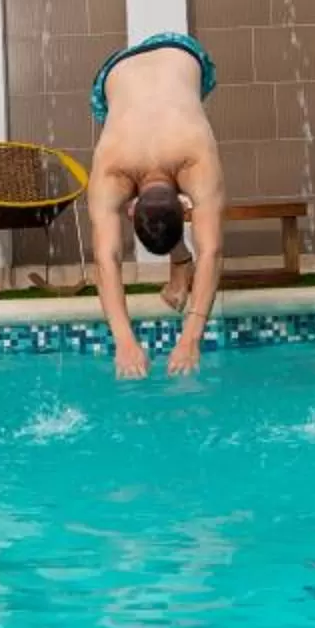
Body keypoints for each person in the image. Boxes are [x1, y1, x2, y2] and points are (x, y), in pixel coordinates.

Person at [88, 33, 227, 379]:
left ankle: (181, 263)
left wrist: (185, 338)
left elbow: (106, 259)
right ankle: (181, 261)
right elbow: (212, 250)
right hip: (124, 69)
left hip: (164, 59)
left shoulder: (112, 169)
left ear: (131, 208)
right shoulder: (194, 161)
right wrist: (130, 340)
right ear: (185, 205)